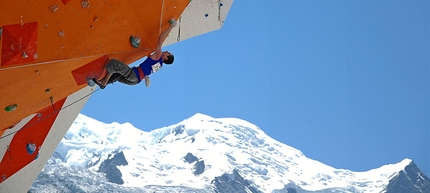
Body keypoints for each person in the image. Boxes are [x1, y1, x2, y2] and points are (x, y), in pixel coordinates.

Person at [93, 19, 177, 89]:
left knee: (113, 64)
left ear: (166, 58)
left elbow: (159, 40)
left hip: (134, 75)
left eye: (168, 53)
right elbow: (149, 60)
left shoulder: (159, 56)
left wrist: (170, 27)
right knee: (115, 75)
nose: (166, 51)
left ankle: (103, 82)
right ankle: (102, 81)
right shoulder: (159, 65)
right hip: (135, 81)